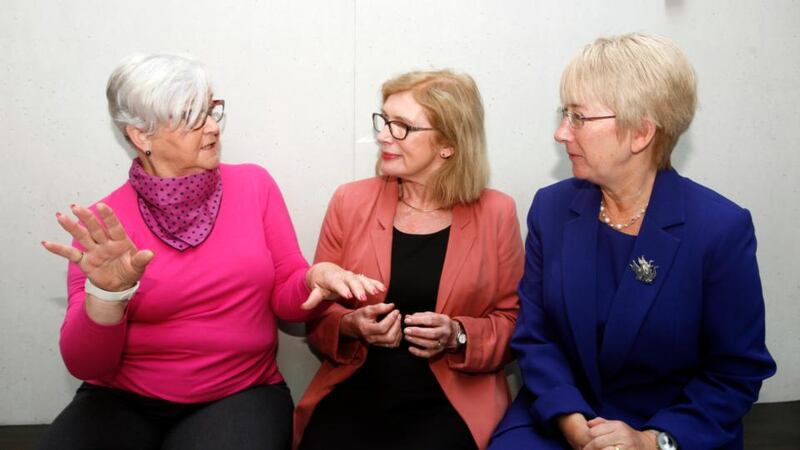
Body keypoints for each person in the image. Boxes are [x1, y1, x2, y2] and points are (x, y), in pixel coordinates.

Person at [38, 53, 382, 450]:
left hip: (238, 393)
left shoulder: (254, 186)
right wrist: (108, 296)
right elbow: (86, 365)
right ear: (140, 136)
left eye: (211, 110)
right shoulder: (105, 232)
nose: (213, 128)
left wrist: (312, 279)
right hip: (121, 399)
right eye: (191, 117)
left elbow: (288, 300)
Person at [489, 33, 776, 450]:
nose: (561, 133)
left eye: (579, 118)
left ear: (641, 133)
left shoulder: (719, 229)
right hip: (556, 416)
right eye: (563, 113)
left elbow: (734, 373)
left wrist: (653, 440)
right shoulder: (551, 210)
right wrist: (570, 417)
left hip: (672, 428)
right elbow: (536, 335)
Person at [293, 70, 524, 450]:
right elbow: (317, 316)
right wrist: (352, 325)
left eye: (402, 127)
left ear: (447, 144)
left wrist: (457, 334)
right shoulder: (349, 203)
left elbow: (514, 324)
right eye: (384, 121)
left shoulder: (496, 212)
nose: (383, 135)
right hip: (357, 385)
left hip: (453, 396)